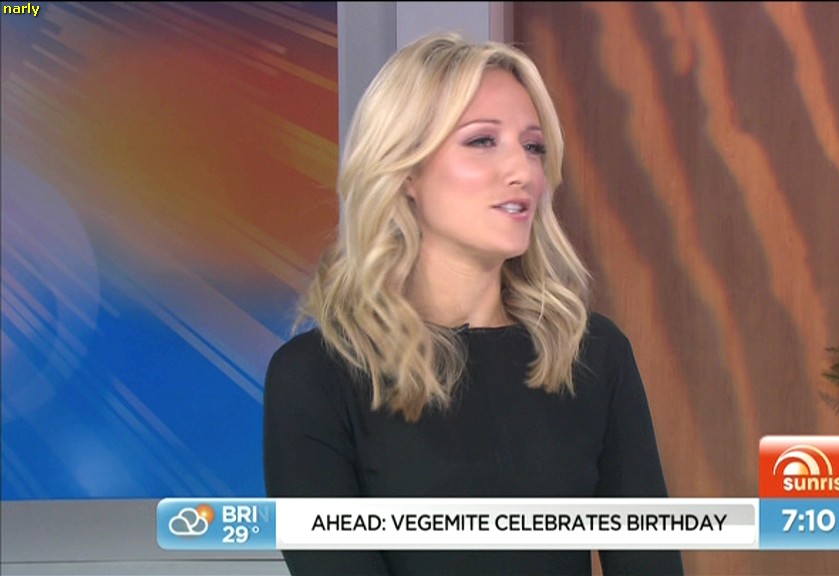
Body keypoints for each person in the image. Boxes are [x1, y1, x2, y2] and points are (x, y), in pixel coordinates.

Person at [263, 31, 684, 576]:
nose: (522, 172)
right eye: (483, 140)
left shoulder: (593, 354)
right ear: (406, 170)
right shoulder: (316, 377)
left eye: (533, 147)